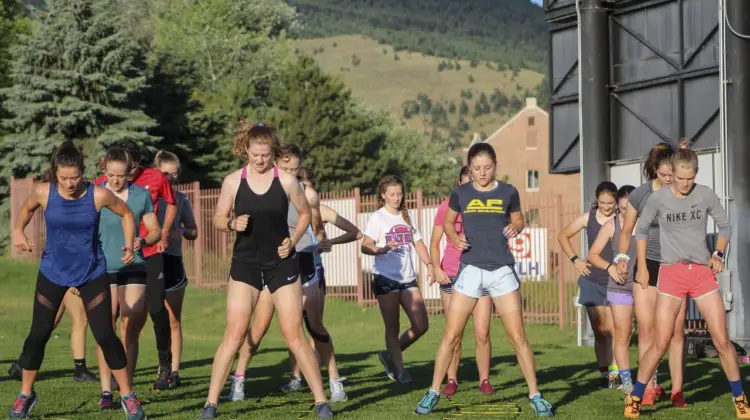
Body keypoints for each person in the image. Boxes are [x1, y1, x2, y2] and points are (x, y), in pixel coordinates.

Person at [200, 123, 333, 419]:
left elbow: (304, 214)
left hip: (281, 262)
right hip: (246, 264)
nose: (261, 160)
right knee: (234, 334)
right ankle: (210, 403)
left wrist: (294, 241)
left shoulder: (286, 181)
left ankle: (322, 401)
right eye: (256, 155)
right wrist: (232, 223)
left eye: (266, 155)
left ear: (272, 152)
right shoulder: (233, 182)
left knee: (293, 334)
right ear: (245, 150)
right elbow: (218, 217)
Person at [414, 143, 554, 417]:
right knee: (451, 335)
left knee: (518, 337)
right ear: (469, 167)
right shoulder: (460, 193)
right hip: (470, 271)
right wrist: (455, 238)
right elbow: (447, 222)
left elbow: (519, 219)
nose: (482, 172)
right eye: (476, 168)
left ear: (495, 164)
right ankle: (433, 392)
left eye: (487, 167)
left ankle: (536, 395)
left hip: (502, 271)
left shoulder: (508, 192)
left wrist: (517, 226)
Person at [9, 141, 145, 420]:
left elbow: (126, 213)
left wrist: (130, 245)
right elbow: (24, 212)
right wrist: (19, 232)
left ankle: (128, 396)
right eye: (63, 178)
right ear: (55, 174)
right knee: (38, 335)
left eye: (74, 178)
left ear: (83, 173)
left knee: (105, 335)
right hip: (53, 272)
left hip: (91, 272)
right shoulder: (43, 192)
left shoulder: (98, 195)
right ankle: (25, 394)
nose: (69, 184)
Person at [624, 148, 750, 418]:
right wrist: (644, 267)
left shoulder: (705, 194)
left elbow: (725, 226)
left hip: (702, 274)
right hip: (671, 274)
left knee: (722, 341)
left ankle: (740, 397)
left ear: (695, 173)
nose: (684, 183)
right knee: (660, 342)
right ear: (673, 173)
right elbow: (641, 230)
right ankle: (635, 396)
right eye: (680, 178)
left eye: (689, 178)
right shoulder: (658, 198)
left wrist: (718, 253)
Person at [227, 163, 361, 404]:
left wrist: (329, 242)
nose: (297, 184)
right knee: (258, 329)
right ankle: (240, 376)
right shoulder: (272, 200)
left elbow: (353, 232)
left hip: (309, 269)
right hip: (277, 269)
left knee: (313, 329)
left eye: (301, 179)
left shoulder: (313, 203)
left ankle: (332, 380)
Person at [95, 141, 178, 391]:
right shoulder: (97, 192)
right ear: (105, 171)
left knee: (131, 321)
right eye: (111, 175)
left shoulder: (140, 195)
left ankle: (126, 387)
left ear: (130, 170)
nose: (116, 180)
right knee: (105, 326)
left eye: (121, 175)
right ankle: (106, 390)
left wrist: (140, 241)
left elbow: (154, 231)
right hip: (103, 267)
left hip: (134, 265)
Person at [615, 142, 688, 407]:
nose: (669, 179)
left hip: (677, 266)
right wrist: (623, 258)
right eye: (664, 173)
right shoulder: (641, 195)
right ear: (655, 169)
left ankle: (677, 390)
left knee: (676, 332)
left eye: (673, 174)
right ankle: (648, 387)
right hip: (648, 266)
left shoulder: (683, 192)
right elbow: (626, 230)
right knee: (646, 331)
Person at [430, 165, 495, 397]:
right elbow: (435, 241)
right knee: (453, 333)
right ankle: (451, 379)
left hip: (481, 274)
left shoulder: (486, 208)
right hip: (452, 275)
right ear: (459, 184)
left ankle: (484, 380)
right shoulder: (446, 208)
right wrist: (436, 268)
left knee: (482, 332)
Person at [361, 175, 432, 385]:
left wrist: (429, 265)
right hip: (386, 279)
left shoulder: (407, 216)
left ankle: (389, 354)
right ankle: (401, 372)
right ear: (383, 195)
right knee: (392, 326)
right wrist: (379, 249)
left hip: (408, 279)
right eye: (392, 194)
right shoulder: (378, 217)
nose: (396, 198)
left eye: (399, 194)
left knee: (421, 325)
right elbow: (365, 244)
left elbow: (418, 244)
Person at [558, 181, 619, 388]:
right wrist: (576, 260)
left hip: (614, 281)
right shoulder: (588, 218)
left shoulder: (621, 220)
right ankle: (604, 372)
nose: (606, 207)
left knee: (613, 330)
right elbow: (563, 235)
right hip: (591, 280)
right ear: (596, 200)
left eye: (610, 203)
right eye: (602, 203)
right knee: (600, 330)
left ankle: (615, 373)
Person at [154, 150, 198, 388]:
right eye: (165, 173)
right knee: (140, 319)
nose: (171, 178)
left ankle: (174, 371)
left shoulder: (181, 199)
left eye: (175, 173)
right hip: (148, 262)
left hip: (172, 262)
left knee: (172, 320)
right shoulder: (146, 197)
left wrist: (179, 231)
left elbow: (194, 231)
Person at [587, 185, 636, 393]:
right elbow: (593, 254)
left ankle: (651, 380)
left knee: (648, 335)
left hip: (644, 286)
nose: (625, 213)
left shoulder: (646, 224)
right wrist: (610, 267)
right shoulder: (611, 225)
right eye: (622, 208)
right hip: (620, 287)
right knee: (622, 335)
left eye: (629, 208)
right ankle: (626, 383)